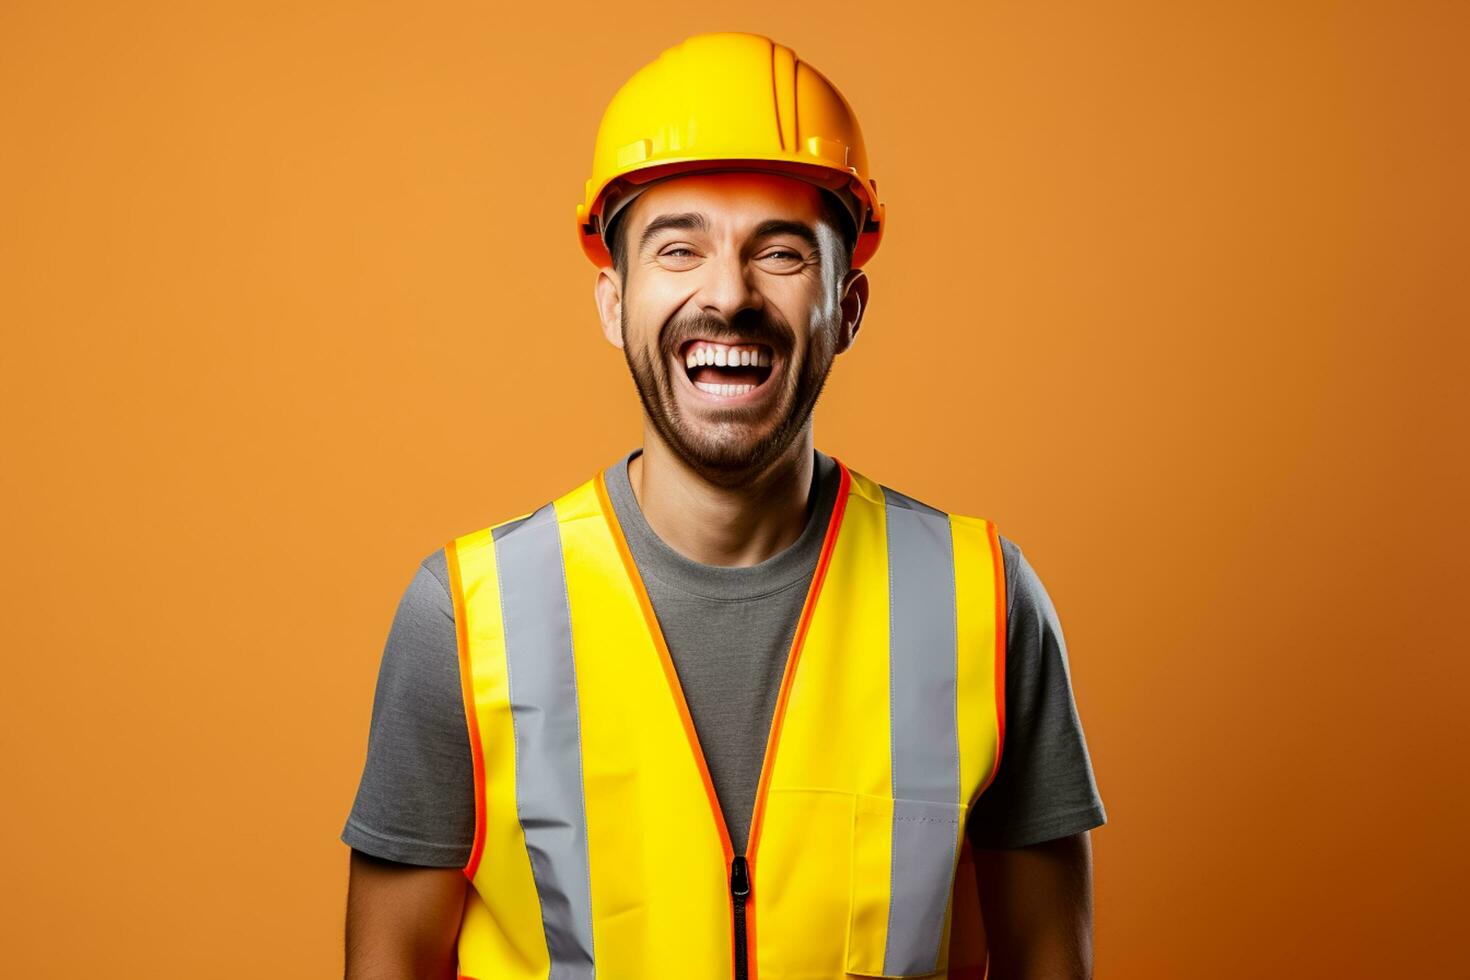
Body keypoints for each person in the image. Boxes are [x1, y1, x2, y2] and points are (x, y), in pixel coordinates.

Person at [342, 31, 1106, 980]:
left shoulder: (985, 604)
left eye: (780, 252)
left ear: (849, 305)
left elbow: (1048, 961)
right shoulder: (466, 620)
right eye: (679, 247)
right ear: (613, 301)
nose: (728, 295)